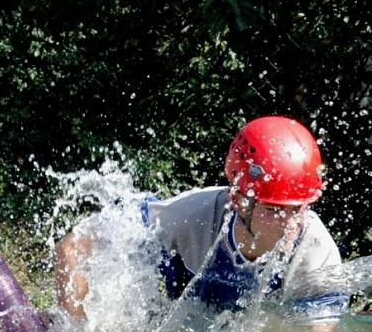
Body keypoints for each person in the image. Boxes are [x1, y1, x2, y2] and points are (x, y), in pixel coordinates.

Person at [56, 116, 344, 318]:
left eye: (299, 208)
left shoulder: (316, 254)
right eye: (274, 209)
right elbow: (73, 246)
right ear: (239, 200)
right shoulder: (192, 215)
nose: (292, 223)